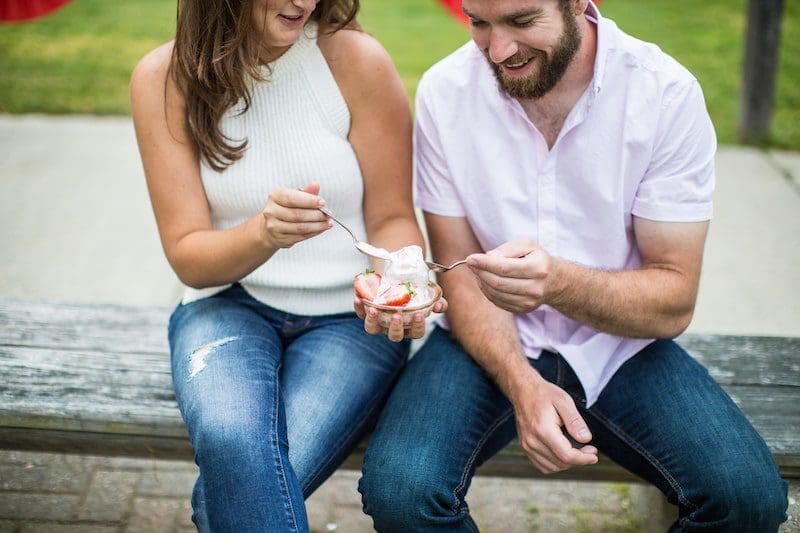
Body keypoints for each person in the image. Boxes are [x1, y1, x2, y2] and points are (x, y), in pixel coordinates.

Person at [358, 0, 789, 531]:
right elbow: (459, 271)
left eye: (521, 21)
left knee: (747, 500)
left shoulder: (664, 93)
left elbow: (673, 300)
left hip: (621, 343)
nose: (498, 49)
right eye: (479, 23)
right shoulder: (446, 92)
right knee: (402, 491)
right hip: (488, 337)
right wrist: (523, 385)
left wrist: (556, 282)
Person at [130, 0, 439, 530]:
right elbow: (189, 258)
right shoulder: (163, 78)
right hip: (225, 305)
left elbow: (391, 217)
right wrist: (263, 233)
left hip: (351, 321)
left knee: (232, 494)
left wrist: (407, 282)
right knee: (232, 440)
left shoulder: (357, 61)